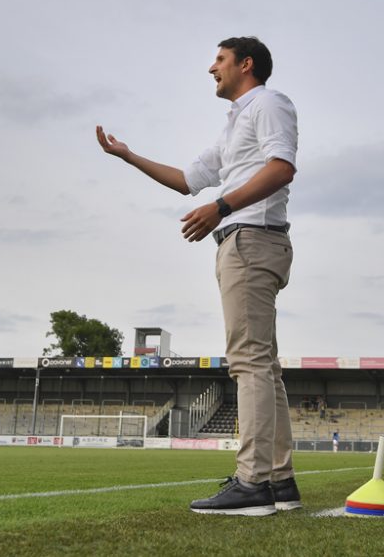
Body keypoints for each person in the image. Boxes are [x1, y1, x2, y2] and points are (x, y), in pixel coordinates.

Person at [97, 37, 298, 517]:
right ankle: (280, 481)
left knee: (248, 362)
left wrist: (223, 205)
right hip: (245, 238)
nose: (212, 68)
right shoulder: (234, 124)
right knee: (263, 365)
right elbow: (187, 180)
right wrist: (129, 156)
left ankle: (253, 483)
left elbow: (283, 167)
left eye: (220, 60)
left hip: (251, 238)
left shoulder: (268, 103)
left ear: (245, 65)